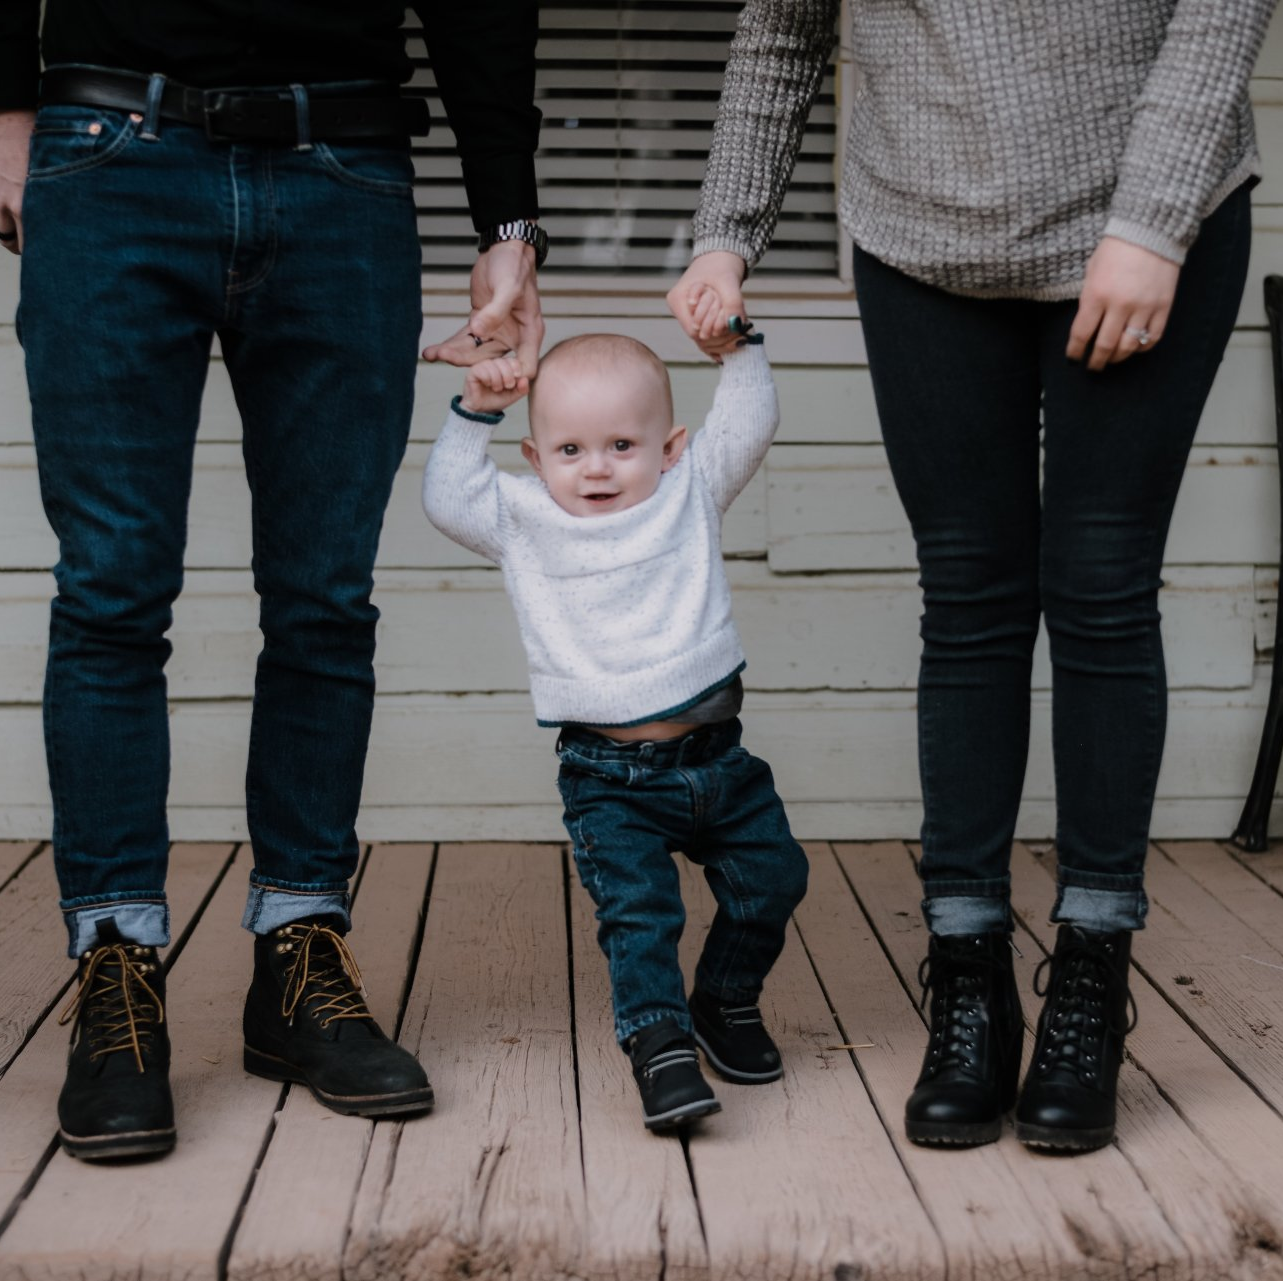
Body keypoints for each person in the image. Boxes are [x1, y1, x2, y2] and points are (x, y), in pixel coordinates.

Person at [669, 0, 1274, 1153]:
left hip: (1147, 220)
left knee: (1098, 587)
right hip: (919, 237)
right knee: (967, 602)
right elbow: (784, 33)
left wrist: (1148, 223)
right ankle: (966, 977)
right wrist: (724, 233)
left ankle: (1090, 978)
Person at [0, 1, 545, 1161]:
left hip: (343, 171)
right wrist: (7, 107)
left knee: (323, 601)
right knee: (110, 592)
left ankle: (300, 957)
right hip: (109, 151)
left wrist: (508, 212)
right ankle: (114, 972)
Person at [423, 330, 809, 1131]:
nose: (595, 467)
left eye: (620, 445)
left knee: (772, 878)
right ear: (536, 456)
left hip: (718, 759)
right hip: (609, 776)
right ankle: (658, 1041)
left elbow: (747, 420)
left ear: (668, 446)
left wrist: (736, 347)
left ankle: (724, 1000)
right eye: (569, 448)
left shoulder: (688, 488)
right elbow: (448, 499)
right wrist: (474, 411)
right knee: (639, 912)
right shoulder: (525, 517)